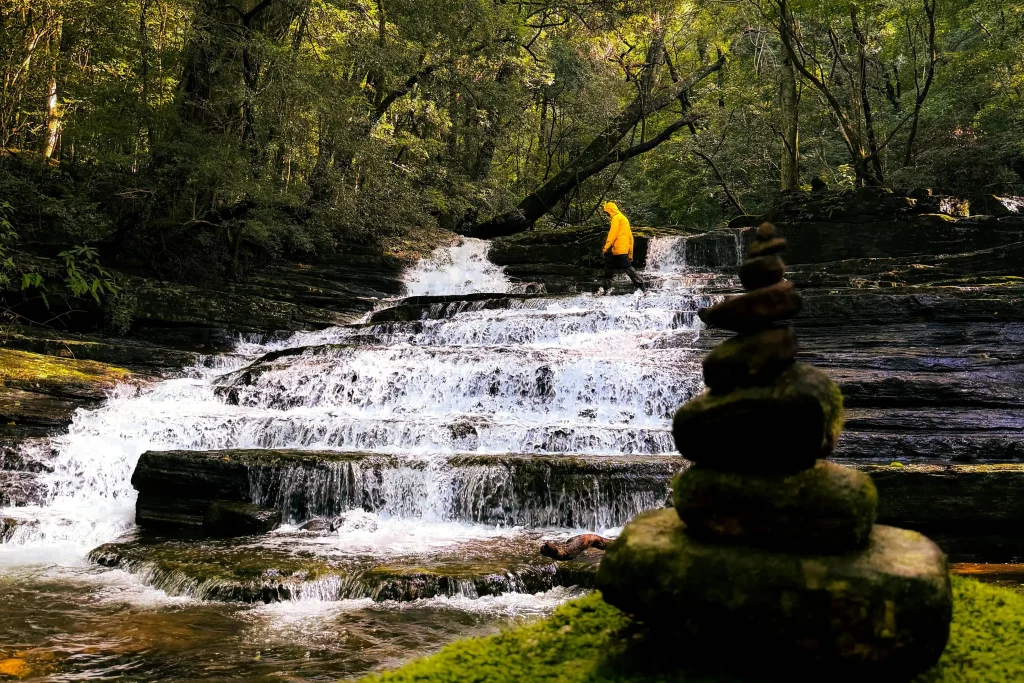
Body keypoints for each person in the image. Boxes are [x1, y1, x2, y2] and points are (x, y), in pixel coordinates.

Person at [599, 201, 645, 294]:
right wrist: (630, 253)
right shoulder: (624, 219)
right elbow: (630, 237)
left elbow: (612, 234)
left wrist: (605, 248)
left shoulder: (616, 218)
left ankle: (641, 285)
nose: (607, 214)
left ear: (610, 211)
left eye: (607, 212)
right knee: (608, 266)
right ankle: (606, 289)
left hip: (619, 249)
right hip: (620, 249)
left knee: (626, 267)